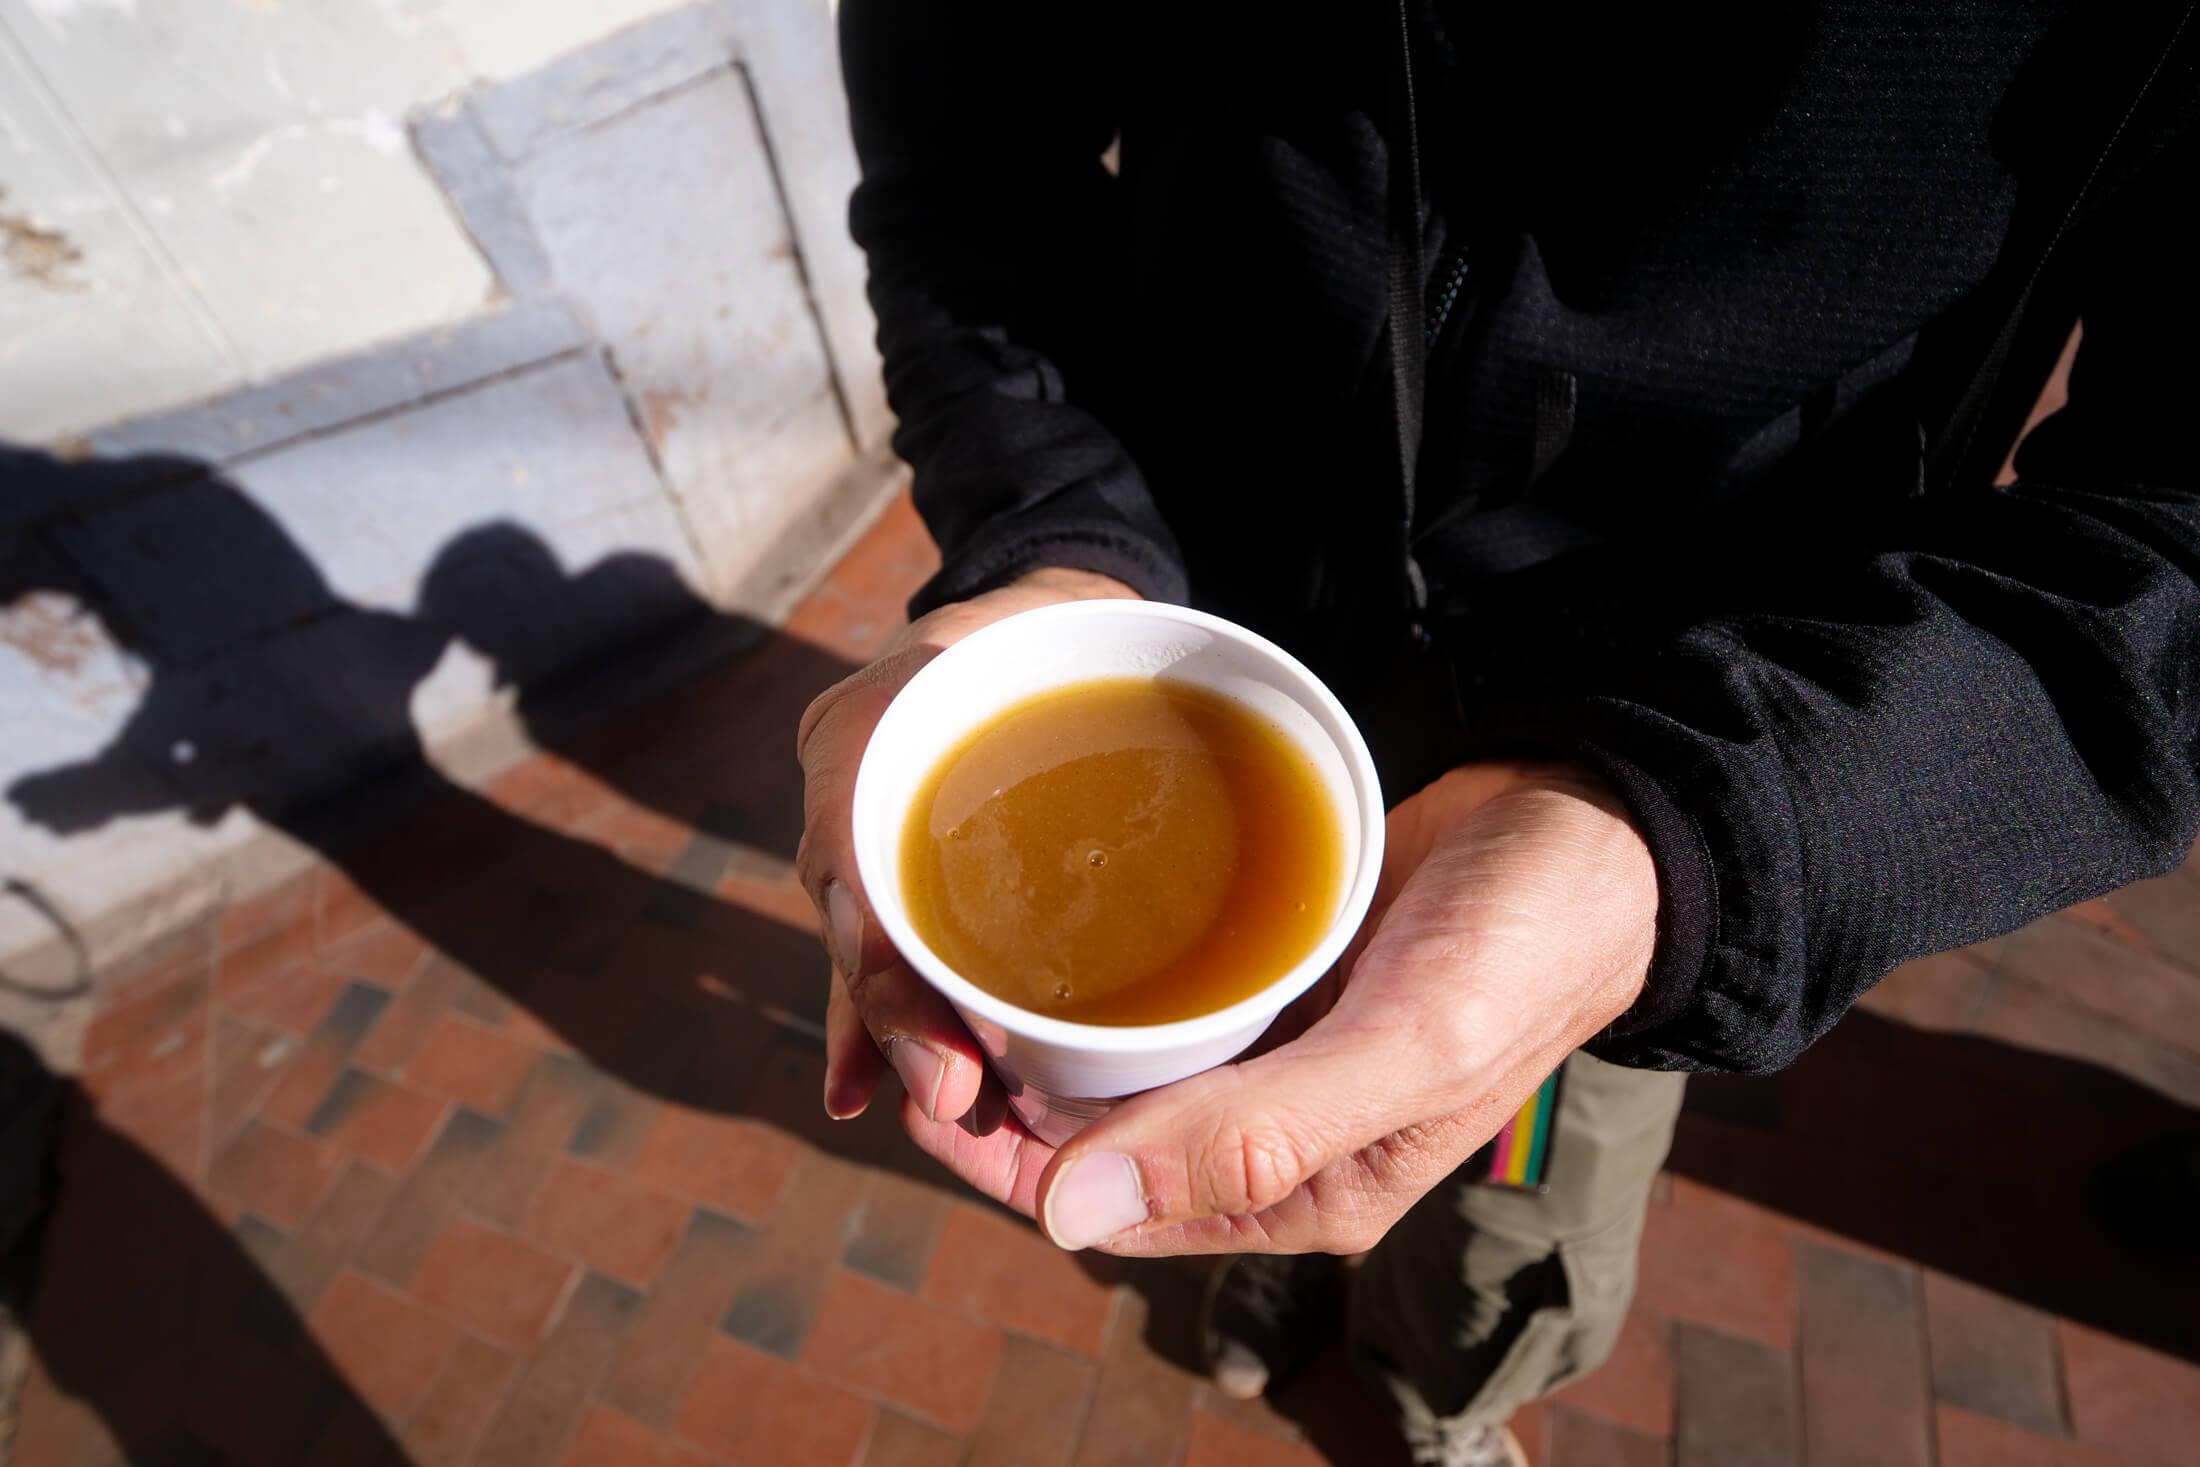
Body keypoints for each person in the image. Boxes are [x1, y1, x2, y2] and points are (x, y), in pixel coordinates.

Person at [797, 5, 2200, 1464]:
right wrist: (1053, 539)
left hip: (1655, 760)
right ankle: (1266, 1260)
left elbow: (2172, 543)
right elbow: (968, 173)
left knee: (1506, 1226)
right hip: (1209, 615)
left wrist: (1700, 832)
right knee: (1226, 1117)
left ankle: (1436, 1405)